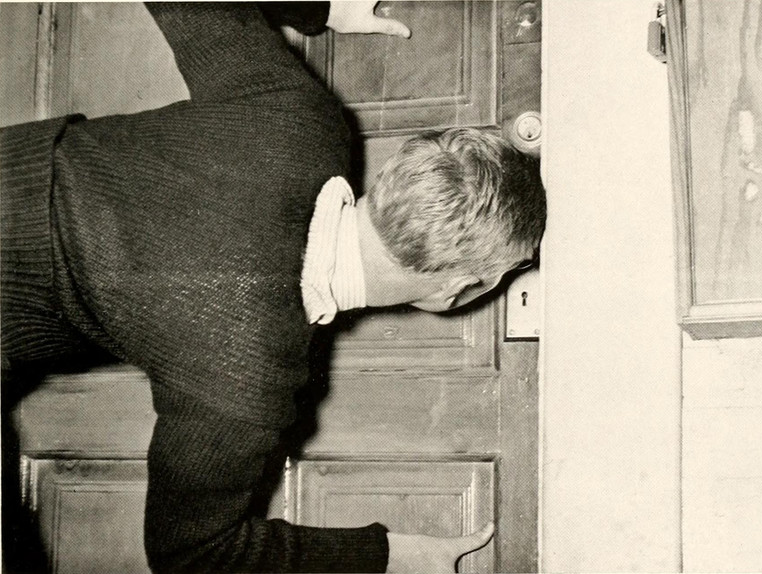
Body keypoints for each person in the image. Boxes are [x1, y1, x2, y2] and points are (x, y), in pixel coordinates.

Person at [0, 2, 546, 572]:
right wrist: (384, 555)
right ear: (456, 290)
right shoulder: (248, 373)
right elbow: (191, 554)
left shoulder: (298, 117)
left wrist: (321, 7)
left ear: (395, 174)